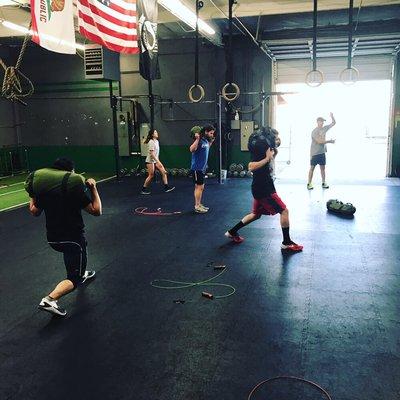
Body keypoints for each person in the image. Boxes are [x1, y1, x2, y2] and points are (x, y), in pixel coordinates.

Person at [26, 157, 102, 316]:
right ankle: (50, 299)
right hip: (72, 238)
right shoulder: (74, 191)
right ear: (70, 172)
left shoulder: (45, 193)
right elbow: (97, 211)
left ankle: (82, 271)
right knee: (73, 279)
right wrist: (94, 188)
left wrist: (33, 193)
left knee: (81, 248)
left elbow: (34, 211)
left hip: (53, 238)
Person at [225, 127, 303, 252]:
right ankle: (286, 242)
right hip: (264, 189)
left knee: (256, 215)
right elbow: (251, 167)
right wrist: (267, 159)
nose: (278, 140)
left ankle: (232, 232)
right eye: (276, 138)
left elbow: (271, 158)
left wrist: (271, 154)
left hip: (261, 187)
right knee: (284, 211)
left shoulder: (268, 150)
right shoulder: (261, 154)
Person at [189, 124, 215, 213]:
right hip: (196, 168)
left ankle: (199, 204)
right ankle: (197, 206)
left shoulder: (205, 141)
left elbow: (206, 150)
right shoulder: (199, 140)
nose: (212, 135)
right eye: (211, 133)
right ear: (206, 132)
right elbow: (191, 149)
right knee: (198, 187)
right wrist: (197, 139)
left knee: (201, 187)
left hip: (202, 168)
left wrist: (211, 142)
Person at [141, 129, 175, 195]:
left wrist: (158, 162)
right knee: (151, 175)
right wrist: (158, 162)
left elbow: (156, 154)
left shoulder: (157, 141)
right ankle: (143, 189)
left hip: (156, 160)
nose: (157, 133)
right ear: (152, 135)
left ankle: (166, 188)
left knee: (164, 172)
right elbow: (152, 154)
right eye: (155, 132)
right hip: (150, 161)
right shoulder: (151, 142)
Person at [307, 113, 336, 190]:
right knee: (312, 168)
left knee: (322, 168)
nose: (322, 123)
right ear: (317, 122)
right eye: (321, 121)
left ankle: (323, 182)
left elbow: (333, 123)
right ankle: (309, 183)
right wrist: (330, 141)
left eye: (323, 121)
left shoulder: (324, 128)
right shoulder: (314, 131)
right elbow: (319, 141)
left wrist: (332, 117)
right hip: (314, 153)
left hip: (322, 152)